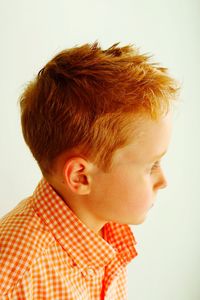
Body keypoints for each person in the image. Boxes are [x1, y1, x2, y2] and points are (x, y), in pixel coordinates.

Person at [0, 42, 179, 299]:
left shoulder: (106, 232)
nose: (163, 181)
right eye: (151, 165)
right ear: (80, 177)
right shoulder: (15, 276)